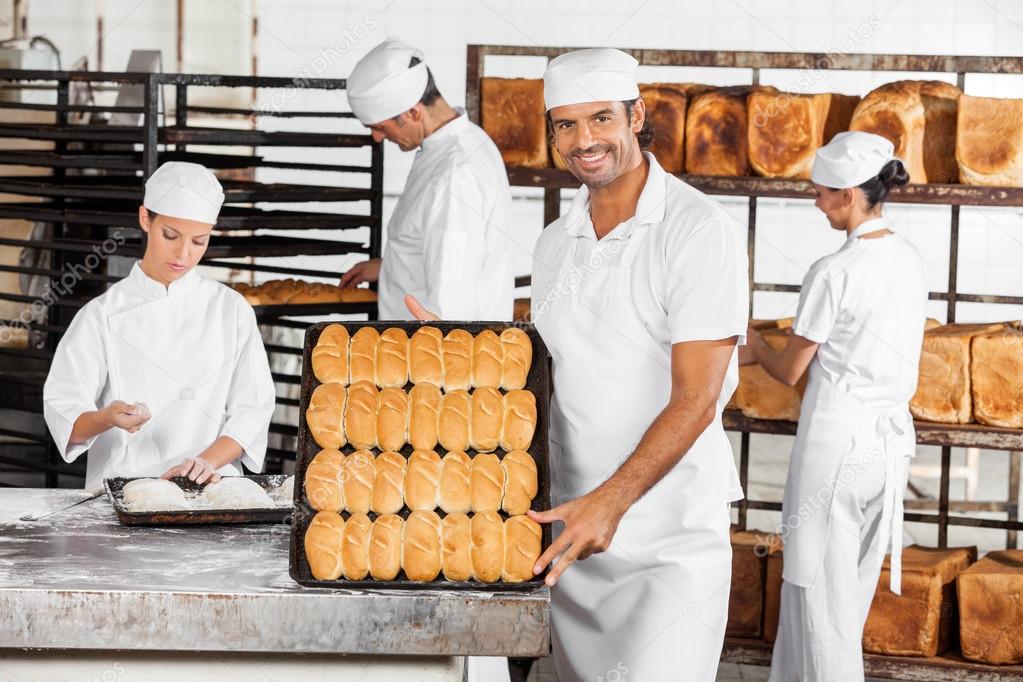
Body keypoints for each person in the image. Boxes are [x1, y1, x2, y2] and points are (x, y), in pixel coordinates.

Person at [408, 48, 749, 681]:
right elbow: (556, 362)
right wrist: (467, 347)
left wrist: (611, 503)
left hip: (662, 538)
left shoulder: (699, 230)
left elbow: (699, 397)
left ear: (637, 115)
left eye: (599, 119)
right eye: (565, 124)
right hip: (571, 531)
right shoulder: (555, 243)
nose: (583, 140)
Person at [738, 132, 927, 681]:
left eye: (820, 193)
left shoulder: (833, 271)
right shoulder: (909, 259)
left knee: (817, 597)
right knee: (848, 599)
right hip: (888, 450)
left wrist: (755, 349)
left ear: (848, 194)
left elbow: (791, 370)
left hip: (835, 449)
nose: (815, 204)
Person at [43, 161, 277, 492]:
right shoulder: (101, 315)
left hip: (213, 494)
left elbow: (253, 409)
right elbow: (66, 418)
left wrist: (204, 463)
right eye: (171, 235)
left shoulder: (232, 309)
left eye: (199, 241)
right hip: (124, 495)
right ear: (145, 219)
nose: (183, 254)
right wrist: (107, 417)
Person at [338, 37, 513, 321]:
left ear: (413, 112)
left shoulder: (454, 175)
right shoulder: (463, 142)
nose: (377, 138)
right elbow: (441, 246)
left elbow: (452, 296)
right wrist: (391, 265)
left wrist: (429, 361)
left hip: (432, 355)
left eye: (380, 128)